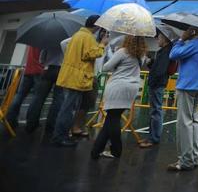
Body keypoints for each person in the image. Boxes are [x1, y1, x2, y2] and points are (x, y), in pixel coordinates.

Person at [52, 15, 107, 147]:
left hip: (71, 75)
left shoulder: (78, 35)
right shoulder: (88, 37)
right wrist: (102, 45)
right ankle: (60, 136)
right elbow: (91, 54)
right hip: (77, 78)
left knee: (68, 106)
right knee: (68, 108)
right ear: (96, 26)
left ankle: (61, 134)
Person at [167, 26, 198, 171]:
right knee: (193, 122)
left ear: (193, 31)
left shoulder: (194, 44)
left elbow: (173, 54)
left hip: (187, 86)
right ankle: (193, 157)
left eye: (188, 29)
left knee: (184, 124)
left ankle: (185, 160)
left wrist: (181, 39)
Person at [91, 35, 145, 159]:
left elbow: (105, 68)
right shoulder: (141, 54)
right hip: (132, 88)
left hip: (117, 86)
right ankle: (96, 150)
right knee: (112, 118)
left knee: (113, 118)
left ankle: (116, 150)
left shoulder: (122, 51)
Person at [139, 31, 174, 148]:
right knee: (154, 111)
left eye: (158, 38)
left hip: (157, 84)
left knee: (156, 111)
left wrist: (152, 80)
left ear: (164, 39)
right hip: (158, 83)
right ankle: (151, 136)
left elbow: (160, 70)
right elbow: (159, 67)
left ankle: (154, 138)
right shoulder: (165, 51)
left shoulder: (166, 51)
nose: (157, 40)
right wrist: (151, 62)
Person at [25, 46, 64, 133]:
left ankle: (30, 124)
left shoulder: (49, 41)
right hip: (62, 70)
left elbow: (41, 59)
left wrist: (46, 63)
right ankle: (51, 126)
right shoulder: (68, 42)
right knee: (58, 99)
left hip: (48, 69)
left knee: (38, 97)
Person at [6, 46, 42, 129]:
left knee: (20, 95)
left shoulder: (32, 40)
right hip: (39, 71)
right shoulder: (44, 41)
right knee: (37, 98)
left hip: (28, 70)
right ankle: (31, 122)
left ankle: (10, 118)